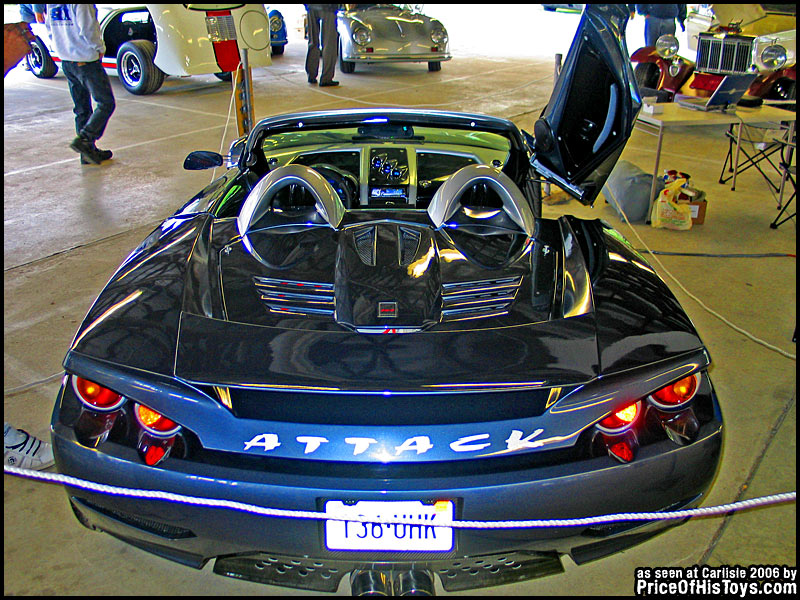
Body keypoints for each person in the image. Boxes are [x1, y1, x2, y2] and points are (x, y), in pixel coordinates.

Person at [45, 4, 115, 165]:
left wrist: (61, 47)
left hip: (67, 60)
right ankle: (85, 139)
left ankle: (87, 153)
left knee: (82, 108)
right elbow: (88, 28)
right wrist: (99, 48)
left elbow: (49, 27)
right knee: (106, 103)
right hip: (85, 59)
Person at [305, 4, 340, 87]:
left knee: (313, 41)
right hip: (328, 7)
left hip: (311, 7)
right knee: (329, 42)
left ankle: (311, 75)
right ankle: (326, 78)